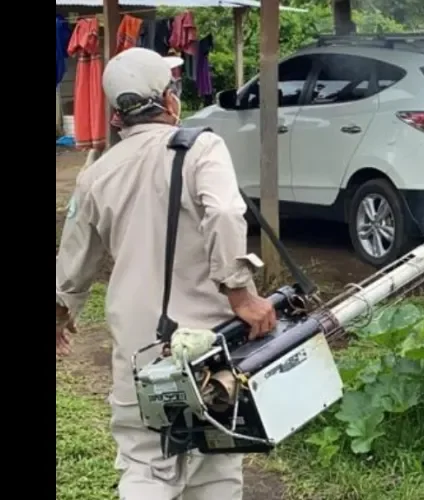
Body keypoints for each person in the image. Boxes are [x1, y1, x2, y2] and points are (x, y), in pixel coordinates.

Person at [55, 47, 277, 500]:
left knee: (145, 465)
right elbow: (224, 214)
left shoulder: (97, 175)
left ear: (117, 117)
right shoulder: (202, 147)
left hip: (139, 355)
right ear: (169, 98)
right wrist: (242, 295)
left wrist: (61, 313)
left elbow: (72, 262)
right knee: (216, 463)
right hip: (208, 349)